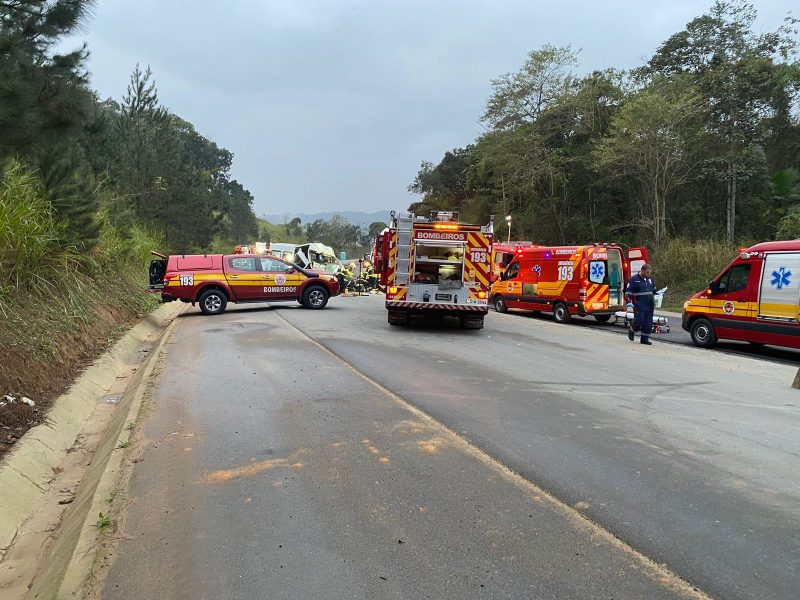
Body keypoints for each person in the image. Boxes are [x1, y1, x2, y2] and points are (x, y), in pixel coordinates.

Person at [626, 263, 657, 345]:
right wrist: (629, 302)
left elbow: (653, 290)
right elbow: (628, 293)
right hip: (639, 304)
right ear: (642, 271)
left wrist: (658, 293)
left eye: (650, 273)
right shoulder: (634, 279)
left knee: (648, 322)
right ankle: (633, 329)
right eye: (647, 273)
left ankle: (644, 339)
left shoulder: (650, 279)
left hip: (650, 304)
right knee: (640, 320)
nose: (648, 275)